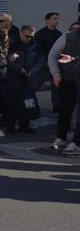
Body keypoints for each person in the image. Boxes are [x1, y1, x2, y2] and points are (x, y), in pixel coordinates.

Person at [4, 25, 44, 134]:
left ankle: (24, 126)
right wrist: (19, 69)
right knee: (12, 104)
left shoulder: (35, 45)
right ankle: (11, 127)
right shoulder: (12, 44)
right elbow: (8, 60)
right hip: (14, 79)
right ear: (21, 33)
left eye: (31, 36)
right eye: (27, 36)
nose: (29, 38)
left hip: (29, 79)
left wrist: (33, 71)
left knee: (27, 103)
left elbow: (41, 60)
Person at [47, 21, 80, 153]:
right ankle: (61, 137)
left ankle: (76, 142)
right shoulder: (67, 37)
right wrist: (56, 74)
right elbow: (52, 55)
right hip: (68, 80)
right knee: (65, 110)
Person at [35, 12, 62, 113]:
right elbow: (37, 50)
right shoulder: (40, 34)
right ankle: (28, 104)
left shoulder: (59, 34)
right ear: (47, 20)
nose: (57, 21)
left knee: (56, 85)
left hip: (55, 64)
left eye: (57, 19)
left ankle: (56, 106)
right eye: (54, 18)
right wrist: (44, 61)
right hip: (43, 64)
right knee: (35, 85)